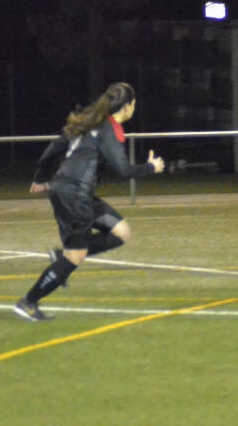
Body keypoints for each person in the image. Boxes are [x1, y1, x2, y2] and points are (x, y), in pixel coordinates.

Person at [14, 82, 165, 321]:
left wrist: (41, 178)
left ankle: (61, 256)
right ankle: (28, 302)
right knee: (75, 256)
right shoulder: (108, 130)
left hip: (73, 191)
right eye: (134, 103)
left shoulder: (89, 122)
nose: (134, 107)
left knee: (121, 232)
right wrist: (150, 167)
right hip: (75, 195)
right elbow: (124, 170)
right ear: (126, 106)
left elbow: (53, 149)